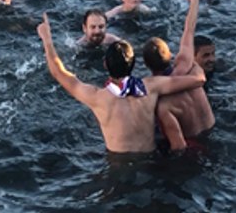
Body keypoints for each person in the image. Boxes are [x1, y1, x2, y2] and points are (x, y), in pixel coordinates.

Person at [36, 12, 206, 154]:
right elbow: (198, 81)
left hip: (119, 166)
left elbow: (58, 72)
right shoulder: (151, 86)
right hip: (151, 162)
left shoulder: (97, 98)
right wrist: (195, 66)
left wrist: (47, 39)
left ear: (105, 65)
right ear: (134, 64)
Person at [142, 0, 214, 151]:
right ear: (170, 55)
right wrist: (194, 0)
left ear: (147, 65)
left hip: (197, 148)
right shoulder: (186, 65)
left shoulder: (163, 105)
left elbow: (178, 147)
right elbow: (189, 29)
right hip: (214, 132)